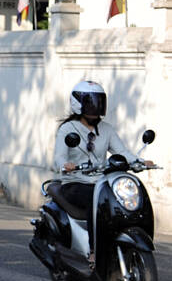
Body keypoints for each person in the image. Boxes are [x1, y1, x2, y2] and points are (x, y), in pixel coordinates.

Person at [51, 80, 138, 259]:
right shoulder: (67, 129)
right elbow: (59, 156)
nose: (95, 107)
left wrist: (140, 161)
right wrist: (65, 165)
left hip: (101, 182)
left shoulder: (106, 129)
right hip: (75, 183)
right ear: (78, 103)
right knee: (96, 202)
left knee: (122, 201)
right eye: (90, 102)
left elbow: (121, 152)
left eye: (99, 102)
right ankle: (94, 250)